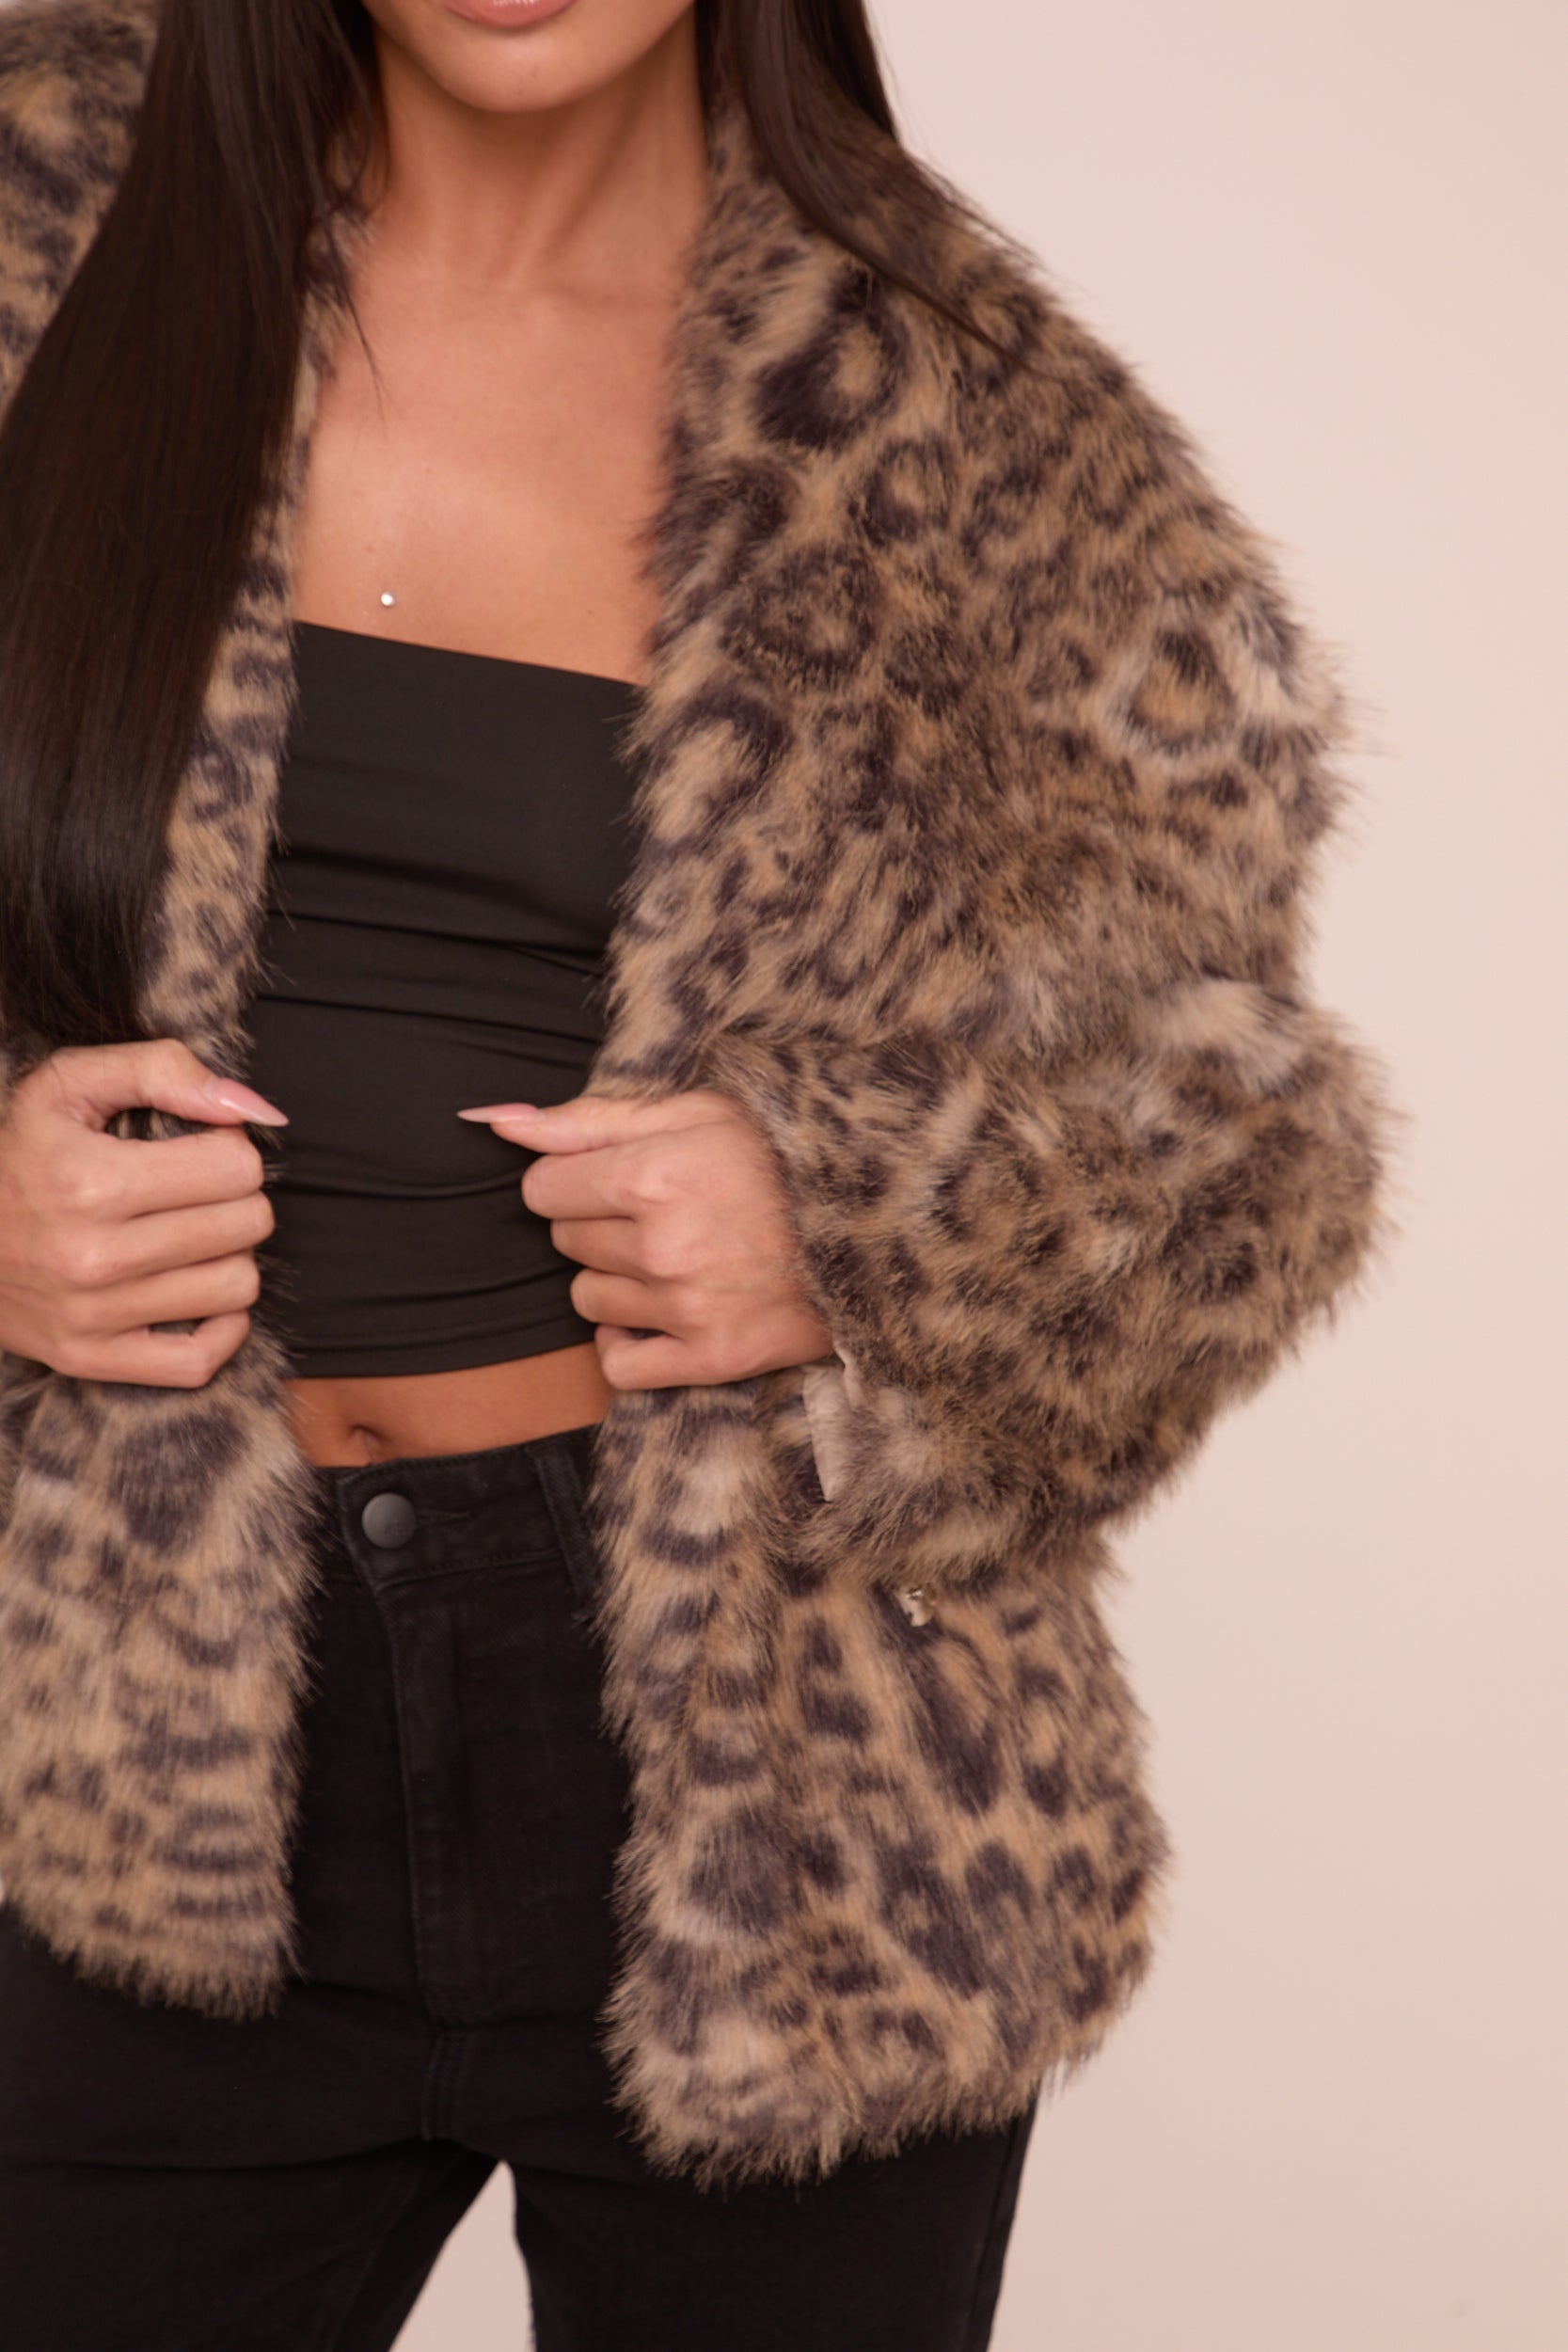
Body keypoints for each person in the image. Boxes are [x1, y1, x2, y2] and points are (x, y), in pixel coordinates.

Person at [0, 1, 1400, 2345]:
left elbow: (1233, 1129)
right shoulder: (47, 224)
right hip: (90, 1717)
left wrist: (852, 1220)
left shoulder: (971, 428)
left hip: (771, 1781)